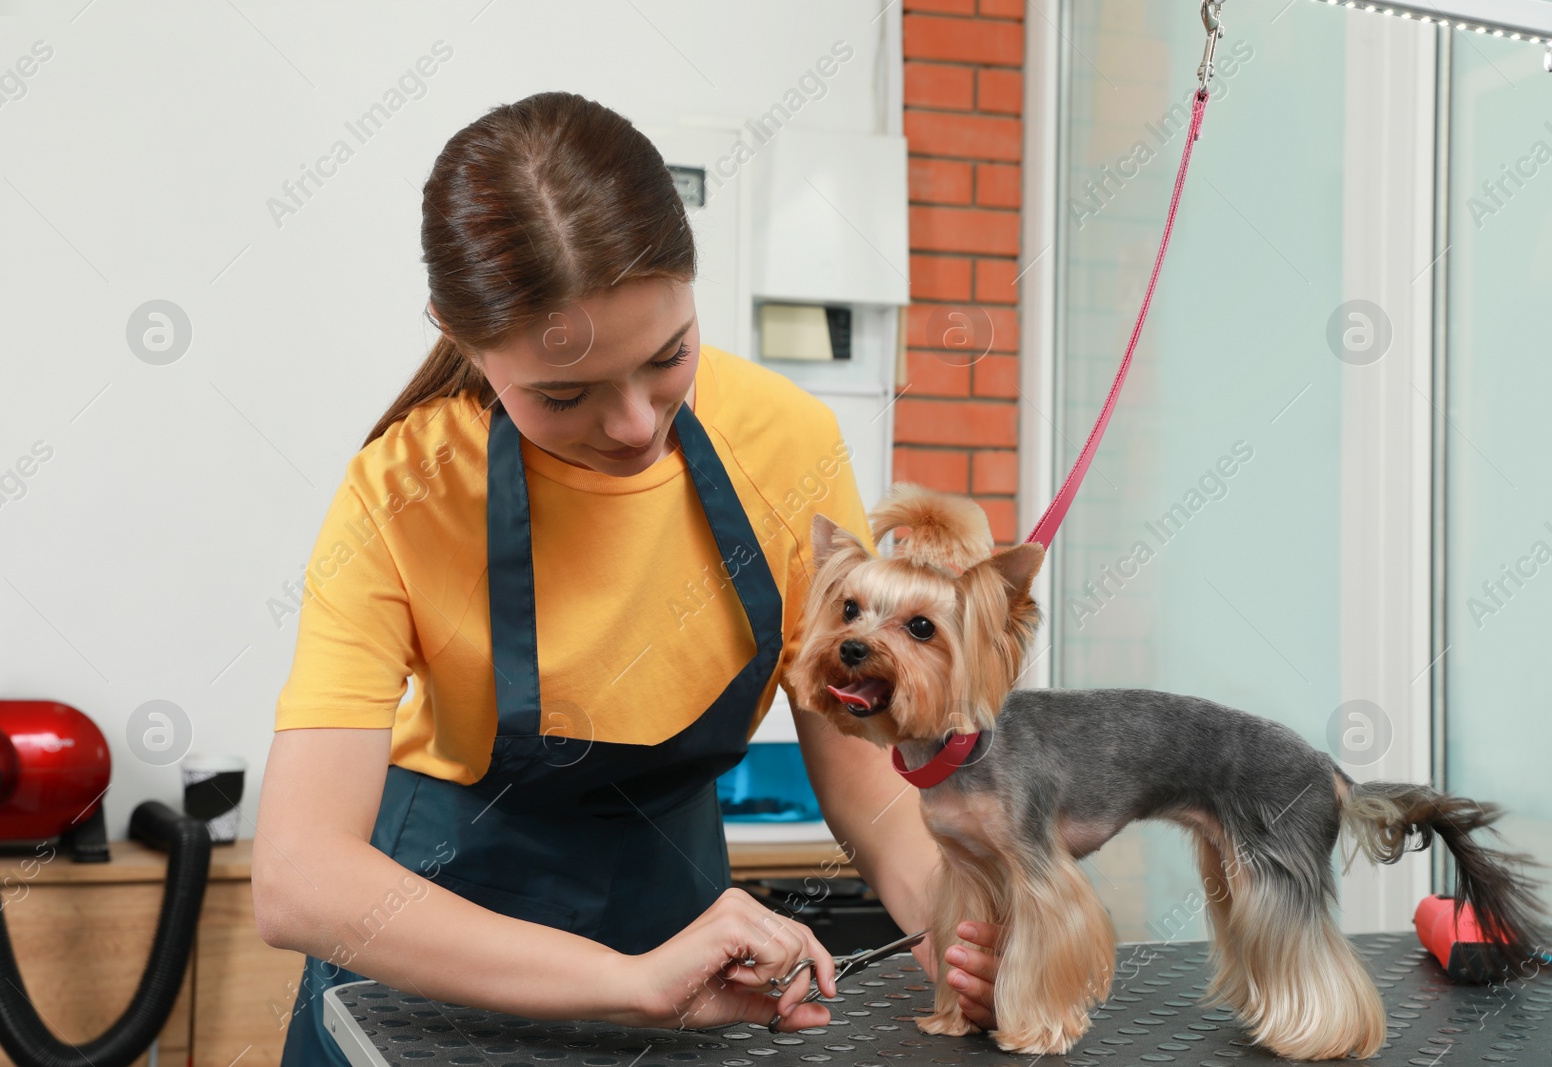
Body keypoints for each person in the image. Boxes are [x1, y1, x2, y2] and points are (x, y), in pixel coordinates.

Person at [251, 90, 1002, 1066]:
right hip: (428, 948)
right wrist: (628, 981)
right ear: (460, 334)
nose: (636, 425)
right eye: (564, 393)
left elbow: (866, 772)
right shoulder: (401, 492)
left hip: (675, 911)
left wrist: (952, 919)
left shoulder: (786, 443)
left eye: (667, 356)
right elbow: (300, 878)